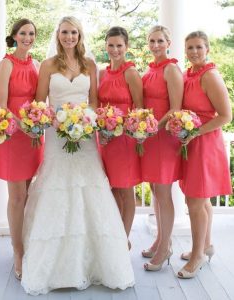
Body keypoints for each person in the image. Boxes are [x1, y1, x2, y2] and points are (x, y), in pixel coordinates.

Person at [21, 16, 134, 295]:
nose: (69, 37)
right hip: (57, 137)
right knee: (57, 189)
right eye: (64, 32)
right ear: (58, 35)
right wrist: (59, 121)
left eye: (73, 32)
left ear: (80, 35)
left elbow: (94, 100)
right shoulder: (47, 65)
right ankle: (55, 265)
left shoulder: (90, 64)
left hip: (84, 135)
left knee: (90, 189)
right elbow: (40, 101)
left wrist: (84, 120)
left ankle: (97, 261)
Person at [177, 31, 232, 278]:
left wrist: (196, 131)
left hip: (206, 142)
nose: (194, 52)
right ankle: (206, 244)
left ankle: (197, 254)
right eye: (190, 47)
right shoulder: (189, 74)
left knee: (195, 201)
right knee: (202, 199)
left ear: (207, 48)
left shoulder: (210, 75)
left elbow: (225, 116)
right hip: (193, 141)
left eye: (199, 47)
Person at [0, 18, 43, 280]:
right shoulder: (6, 64)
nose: (27, 37)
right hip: (14, 136)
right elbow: (1, 105)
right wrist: (24, 127)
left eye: (31, 33)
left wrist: (38, 123)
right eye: (23, 33)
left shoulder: (36, 65)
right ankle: (17, 251)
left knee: (28, 194)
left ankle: (27, 242)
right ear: (14, 36)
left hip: (33, 138)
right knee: (16, 197)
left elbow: (40, 100)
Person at [140, 25, 183, 271]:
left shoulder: (171, 69)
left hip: (164, 137)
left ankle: (166, 247)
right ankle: (159, 239)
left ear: (168, 42)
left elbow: (176, 107)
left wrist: (156, 126)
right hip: (149, 135)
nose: (156, 45)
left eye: (160, 41)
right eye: (152, 41)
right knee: (155, 191)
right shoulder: (150, 69)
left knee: (164, 194)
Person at [98, 26, 143, 246]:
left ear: (127, 46)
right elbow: (97, 107)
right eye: (111, 45)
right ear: (105, 46)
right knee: (113, 189)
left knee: (126, 190)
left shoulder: (131, 72)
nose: (115, 50)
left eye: (119, 45)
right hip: (106, 141)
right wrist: (102, 131)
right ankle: (115, 234)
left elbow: (139, 110)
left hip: (124, 140)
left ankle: (124, 240)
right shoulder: (102, 73)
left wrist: (121, 128)